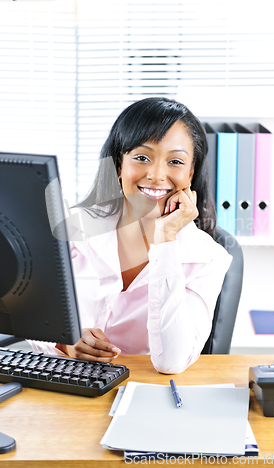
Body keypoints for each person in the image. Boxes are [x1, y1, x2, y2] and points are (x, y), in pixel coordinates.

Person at [31, 97, 232, 374]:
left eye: (175, 161)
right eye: (141, 157)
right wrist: (64, 342)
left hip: (146, 397)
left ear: (191, 173)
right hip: (69, 392)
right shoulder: (72, 230)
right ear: (118, 165)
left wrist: (166, 240)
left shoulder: (208, 259)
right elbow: (30, 317)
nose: (157, 174)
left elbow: (171, 361)